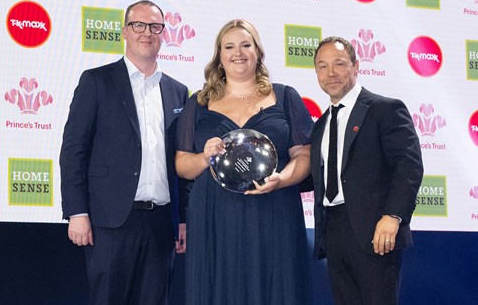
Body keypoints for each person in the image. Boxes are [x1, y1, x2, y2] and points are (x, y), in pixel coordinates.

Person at [175, 19, 314, 305]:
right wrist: (203, 157)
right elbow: (181, 164)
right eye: (229, 47)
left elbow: (304, 155)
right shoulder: (198, 103)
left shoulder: (285, 96)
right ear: (220, 56)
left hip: (274, 207)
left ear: (258, 52)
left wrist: (282, 180)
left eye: (245, 45)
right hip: (214, 211)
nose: (238, 52)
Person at [60, 0, 189, 305]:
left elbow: (180, 162)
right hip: (111, 221)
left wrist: (182, 219)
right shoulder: (97, 81)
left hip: (161, 223)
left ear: (163, 33)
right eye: (139, 25)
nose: (148, 32)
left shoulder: (178, 91)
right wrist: (77, 212)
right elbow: (73, 150)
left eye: (155, 26)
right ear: (125, 32)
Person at [310, 36, 424, 305]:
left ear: (356, 66)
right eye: (322, 66)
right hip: (333, 231)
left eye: (339, 63)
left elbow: (409, 166)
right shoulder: (321, 124)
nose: (331, 73)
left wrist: (393, 216)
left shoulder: (385, 109)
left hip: (375, 229)